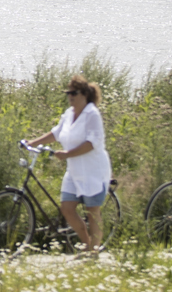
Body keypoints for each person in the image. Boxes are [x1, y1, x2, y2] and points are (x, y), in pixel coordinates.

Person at [27, 74, 112, 255]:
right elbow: (56, 133)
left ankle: (93, 252)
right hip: (74, 170)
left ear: (84, 94)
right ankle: (86, 245)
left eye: (74, 93)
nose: (70, 96)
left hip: (93, 171)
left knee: (92, 211)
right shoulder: (69, 114)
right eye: (68, 93)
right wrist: (33, 142)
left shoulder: (92, 114)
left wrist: (67, 154)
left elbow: (92, 143)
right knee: (67, 208)